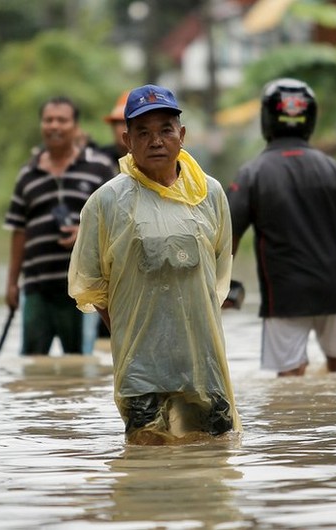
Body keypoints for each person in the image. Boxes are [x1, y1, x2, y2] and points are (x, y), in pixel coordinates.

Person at [68, 84, 241, 444]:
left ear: (182, 135)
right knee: (146, 460)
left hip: (202, 361)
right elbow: (92, 284)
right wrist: (131, 340)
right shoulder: (107, 203)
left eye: (165, 130)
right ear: (127, 141)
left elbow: (219, 269)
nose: (156, 141)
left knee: (211, 458)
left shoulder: (210, 194)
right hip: (140, 367)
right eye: (143, 133)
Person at [226, 78, 336, 377]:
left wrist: (220, 284)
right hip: (333, 289)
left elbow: (230, 235)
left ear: (267, 118)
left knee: (290, 380)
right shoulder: (330, 167)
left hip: (285, 295)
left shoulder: (253, 173)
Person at [3, 95, 115, 356]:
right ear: (41, 125)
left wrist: (84, 234)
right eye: (48, 120)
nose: (54, 126)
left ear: (75, 127)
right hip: (37, 286)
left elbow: (119, 222)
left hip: (82, 290)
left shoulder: (99, 169)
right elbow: (18, 229)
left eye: (61, 120)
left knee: (80, 362)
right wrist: (11, 283)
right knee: (32, 362)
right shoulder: (27, 174)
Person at [98, 90, 129, 167]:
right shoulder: (100, 157)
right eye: (120, 123)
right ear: (113, 126)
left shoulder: (151, 160)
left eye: (128, 123)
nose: (124, 128)